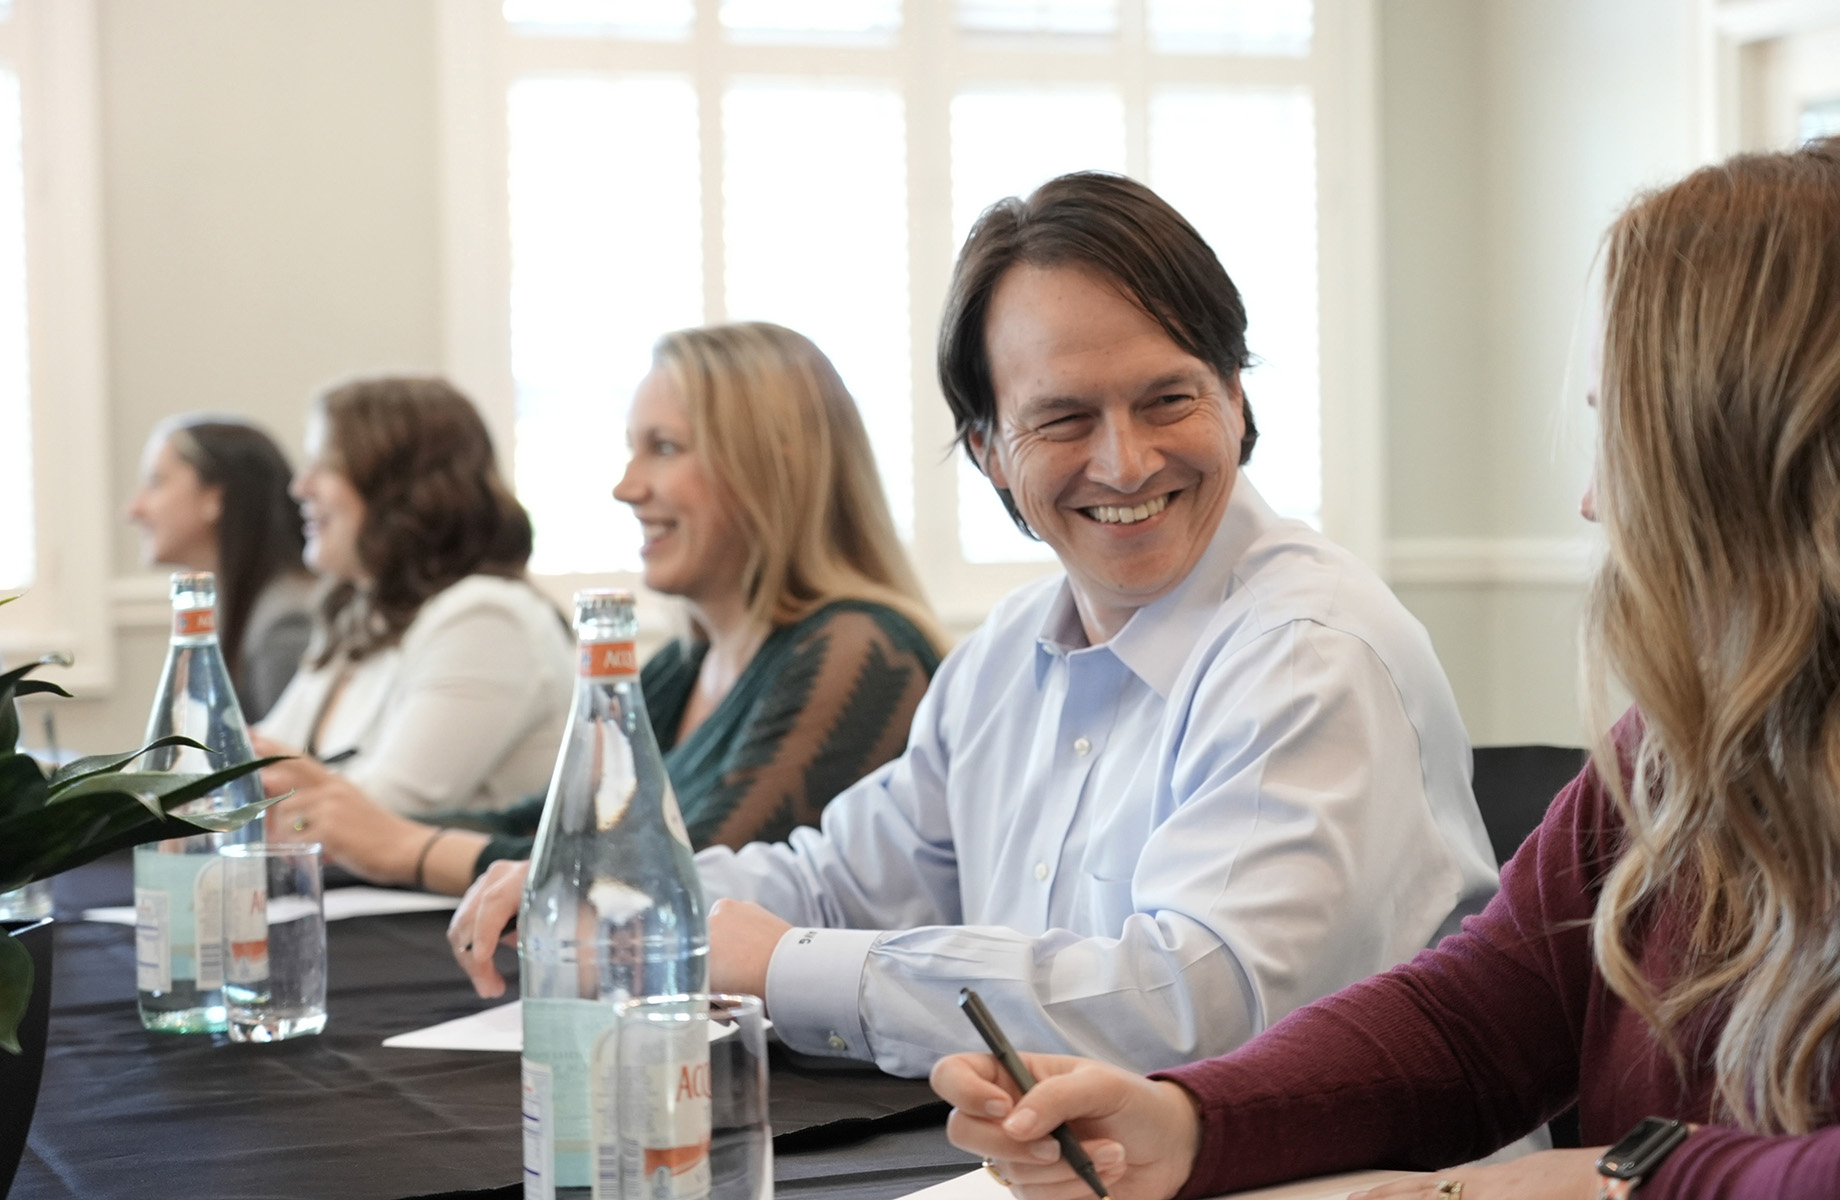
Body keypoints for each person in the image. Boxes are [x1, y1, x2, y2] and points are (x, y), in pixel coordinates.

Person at [931, 129, 1840, 1200]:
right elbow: (1475, 1020)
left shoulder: (1313, 640)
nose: (1594, 500)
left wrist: (1616, 1184)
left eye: (1630, 432)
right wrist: (1190, 1121)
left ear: (1779, 448)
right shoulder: (1690, 745)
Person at [451, 172, 1498, 1079]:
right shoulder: (1005, 655)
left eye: (1169, 400)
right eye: (1064, 418)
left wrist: (780, 965)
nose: (1126, 462)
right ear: (988, 448)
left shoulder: (1309, 651)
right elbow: (845, 882)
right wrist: (627, 892)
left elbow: (1196, 1010)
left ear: (1236, 399)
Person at [265, 323, 947, 896]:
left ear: (776, 468)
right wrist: (353, 822)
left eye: (665, 448)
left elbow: (682, 882)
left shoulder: (860, 649)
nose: (627, 486)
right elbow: (548, 823)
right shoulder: (683, 666)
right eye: (632, 449)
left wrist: (404, 848)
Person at [253, 375, 574, 817]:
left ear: (397, 486)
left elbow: (384, 812)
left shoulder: (486, 618)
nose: (300, 486)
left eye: (325, 465)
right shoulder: (361, 611)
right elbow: (252, 763)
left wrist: (255, 799)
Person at [127, 415, 315, 721]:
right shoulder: (222, 607)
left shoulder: (284, 623)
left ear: (213, 497)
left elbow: (288, 750)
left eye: (156, 482)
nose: (134, 510)